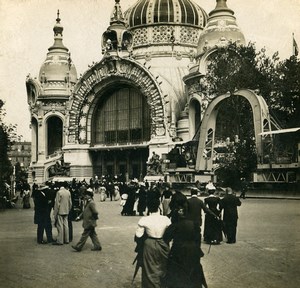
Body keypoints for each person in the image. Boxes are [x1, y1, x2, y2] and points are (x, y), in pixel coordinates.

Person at [163, 206, 208, 288]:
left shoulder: (175, 225)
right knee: (193, 270)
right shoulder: (194, 224)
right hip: (193, 249)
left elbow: (166, 238)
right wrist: (197, 249)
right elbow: (198, 238)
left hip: (178, 249)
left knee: (178, 271)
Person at [134, 197, 171, 287]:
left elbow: (138, 235)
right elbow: (170, 233)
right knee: (163, 264)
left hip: (149, 243)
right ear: (158, 206)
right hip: (162, 243)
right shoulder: (165, 219)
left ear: (148, 207)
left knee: (149, 266)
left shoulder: (144, 220)